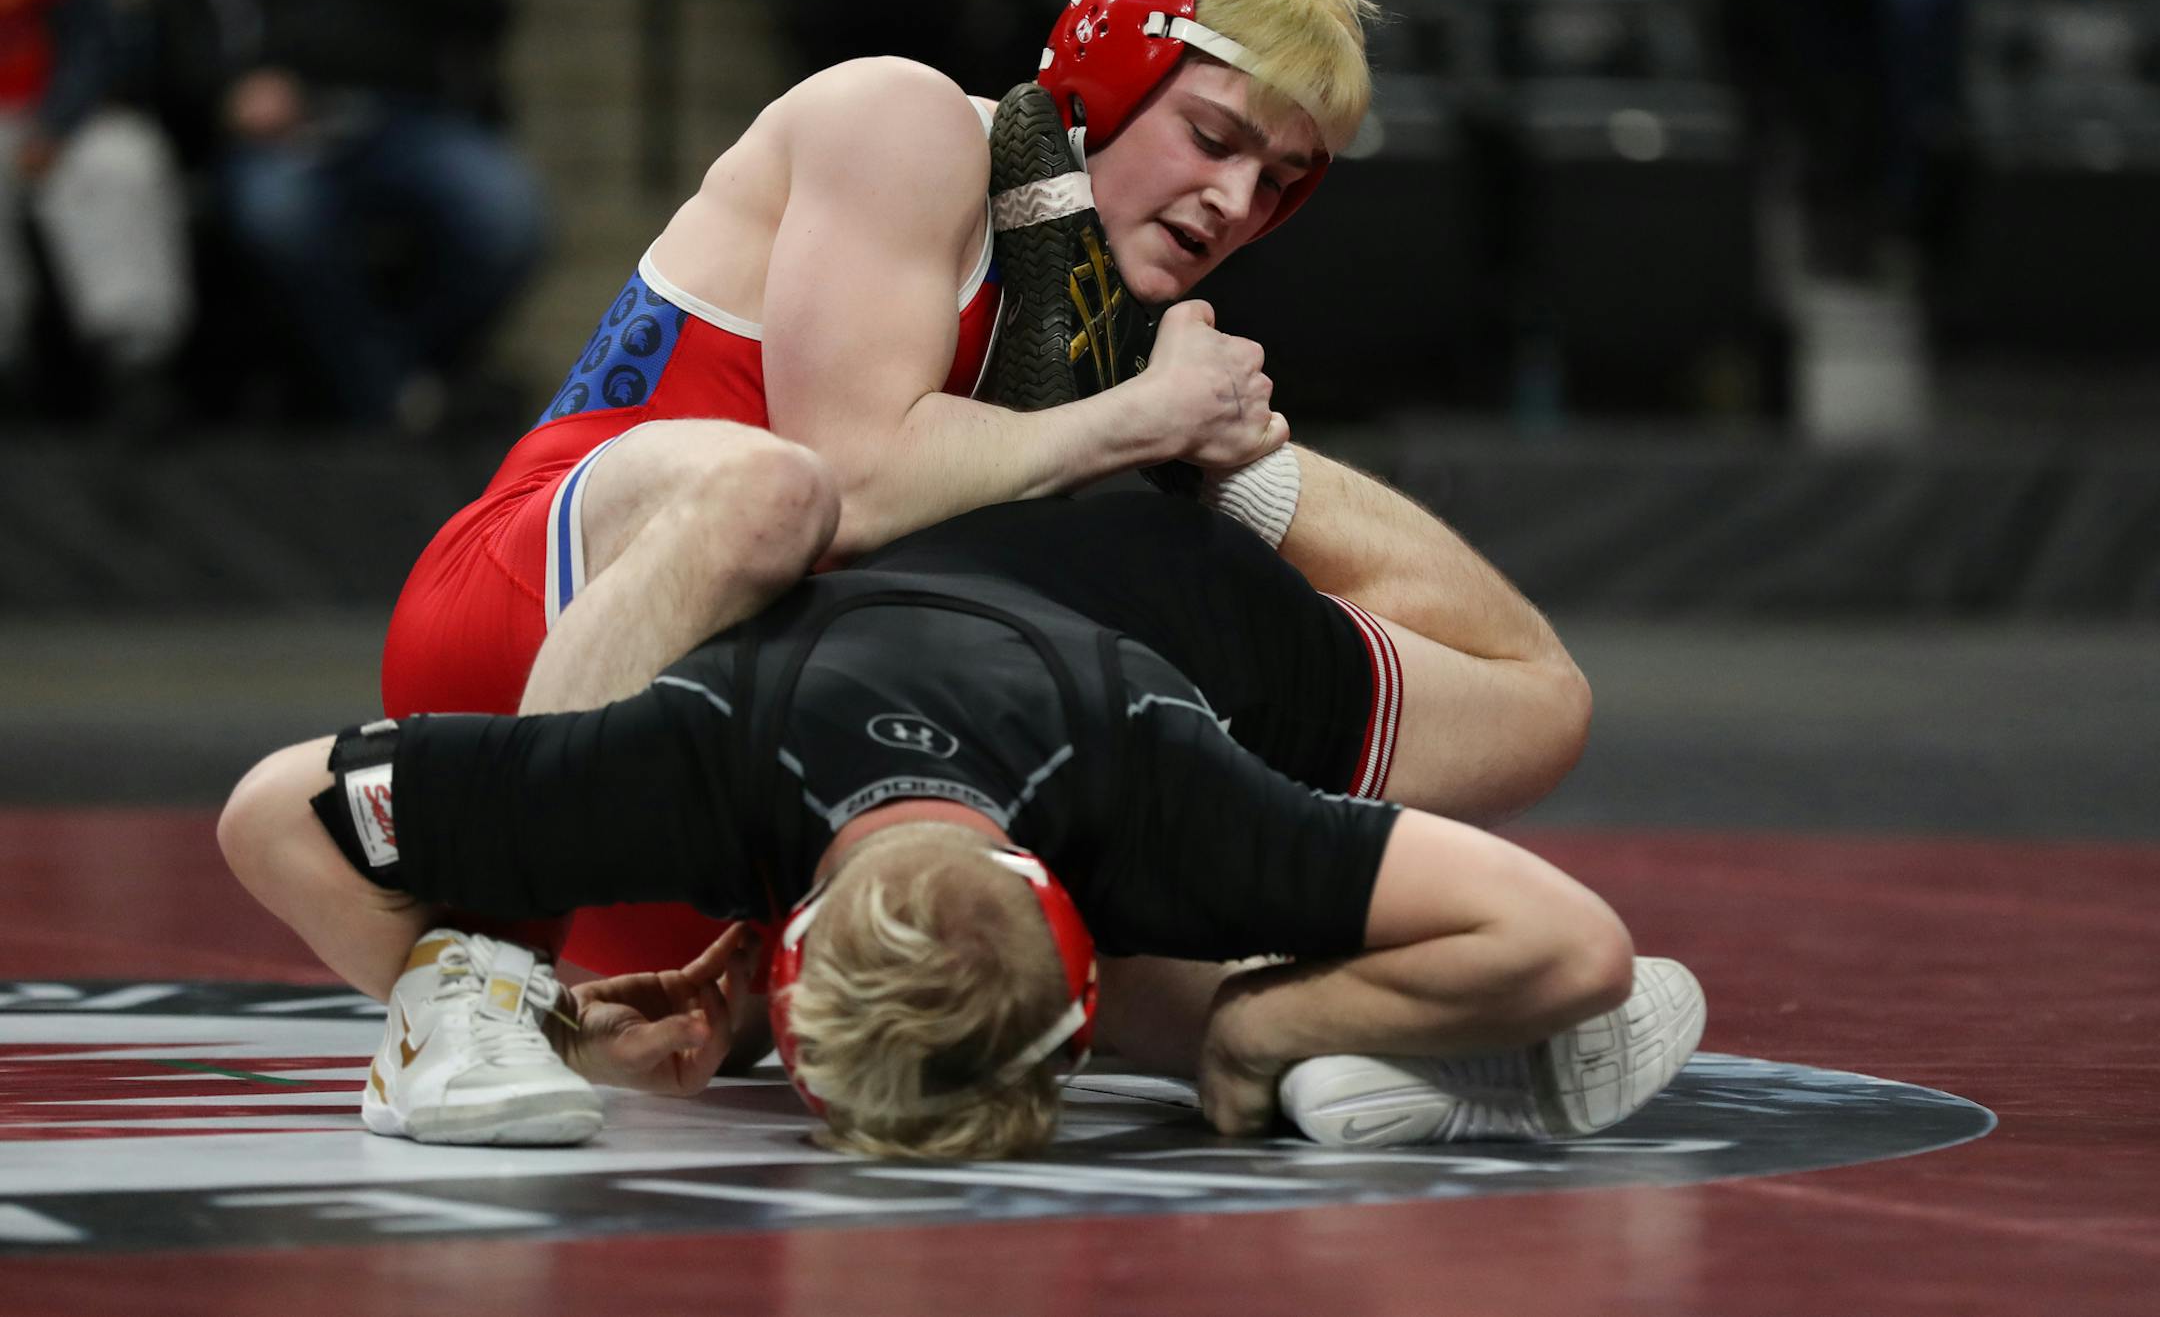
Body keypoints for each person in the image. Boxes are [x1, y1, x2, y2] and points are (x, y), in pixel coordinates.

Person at [374, 0, 1378, 975]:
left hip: (728, 726)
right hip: (536, 607)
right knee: (779, 495)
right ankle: (478, 981)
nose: (1236, 200)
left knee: (1071, 966)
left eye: (1279, 180)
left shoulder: (1108, 322)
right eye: (1212, 136)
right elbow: (845, 481)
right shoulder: (905, 122)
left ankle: (1368, 1036)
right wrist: (1145, 418)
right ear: (1108, 71)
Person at [219, 487, 1703, 1159]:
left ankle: (1254, 1043)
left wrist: (1245, 1035)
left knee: (1544, 702)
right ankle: (1283, 1043)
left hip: (1184, 577)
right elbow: (1573, 943)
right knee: (737, 505)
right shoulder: (685, 768)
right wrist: (496, 998)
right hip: (890, 544)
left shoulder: (1159, 793)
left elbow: (1583, 947)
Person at [148, 0, 544, 427]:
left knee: (509, 211)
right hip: (281, 137)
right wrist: (228, 93)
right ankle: (396, 396)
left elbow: (487, 17)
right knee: (276, 217)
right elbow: (168, 38)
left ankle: (390, 381)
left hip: (408, 123)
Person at [0, 0, 194, 413]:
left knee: (121, 159)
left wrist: (56, 123)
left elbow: (92, 34)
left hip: (38, 108)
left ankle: (135, 362)